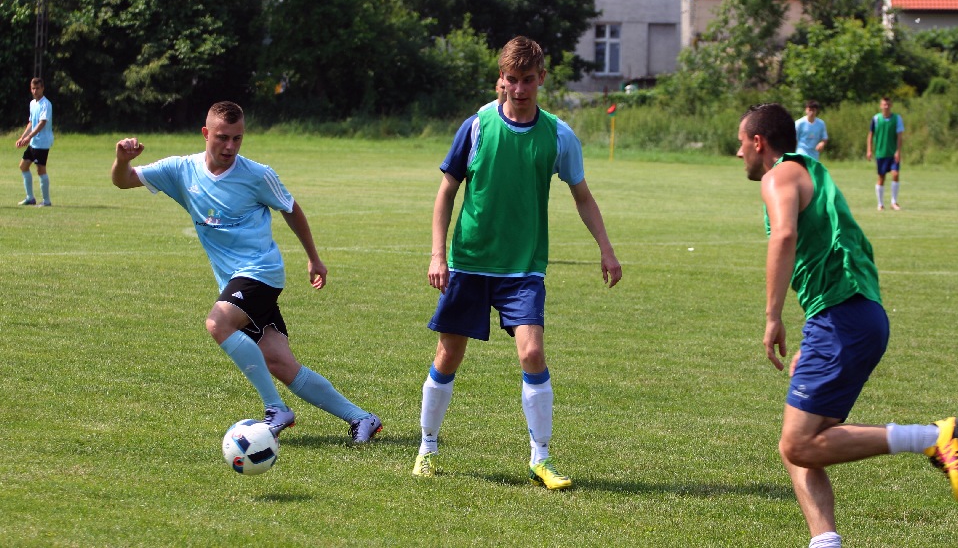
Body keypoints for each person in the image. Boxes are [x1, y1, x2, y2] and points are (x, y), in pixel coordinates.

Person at [737, 102, 958, 548]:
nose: (739, 153)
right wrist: (814, 327)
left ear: (758, 142)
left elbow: (784, 236)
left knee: (798, 445)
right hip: (851, 314)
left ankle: (932, 438)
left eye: (741, 143)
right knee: (799, 443)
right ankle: (825, 542)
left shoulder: (778, 175)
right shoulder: (811, 171)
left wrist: (772, 317)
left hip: (844, 318)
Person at [414, 36, 622, 489]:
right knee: (449, 355)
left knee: (531, 352)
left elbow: (582, 196)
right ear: (501, 80)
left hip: (524, 267)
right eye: (512, 79)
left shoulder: (559, 135)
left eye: (529, 80)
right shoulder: (477, 126)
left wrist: (605, 248)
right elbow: (446, 191)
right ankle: (427, 447)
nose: (520, 88)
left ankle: (541, 459)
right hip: (469, 262)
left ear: (541, 79)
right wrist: (437, 253)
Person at [111, 101, 382, 443]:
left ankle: (275, 409)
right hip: (235, 280)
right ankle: (362, 418)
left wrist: (314, 258)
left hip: (261, 273)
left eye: (237, 139)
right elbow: (123, 182)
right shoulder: (180, 170)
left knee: (217, 323)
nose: (230, 147)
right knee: (280, 363)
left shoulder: (256, 174)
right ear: (205, 133)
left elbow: (290, 207)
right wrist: (122, 160)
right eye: (223, 138)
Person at [15, 78, 54, 207]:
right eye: (33, 88)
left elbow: (42, 123)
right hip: (33, 142)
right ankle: (30, 198)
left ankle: (46, 201)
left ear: (42, 88)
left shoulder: (46, 104)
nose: (35, 91)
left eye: (37, 88)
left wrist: (29, 137)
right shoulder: (33, 103)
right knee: (23, 166)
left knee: (40, 170)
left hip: (42, 142)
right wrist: (23, 137)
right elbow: (32, 122)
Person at [866, 97, 904, 211]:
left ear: (891, 105)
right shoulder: (876, 119)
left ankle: (894, 202)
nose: (886, 106)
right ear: (880, 106)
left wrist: (898, 151)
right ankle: (880, 204)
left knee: (895, 174)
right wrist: (869, 150)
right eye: (884, 104)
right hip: (881, 153)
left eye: (888, 104)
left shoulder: (897, 118)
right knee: (881, 177)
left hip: (892, 154)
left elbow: (900, 136)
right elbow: (870, 134)